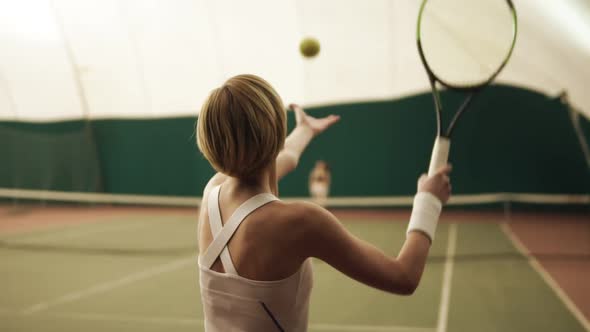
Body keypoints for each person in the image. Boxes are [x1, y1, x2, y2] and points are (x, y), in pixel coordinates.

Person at [196, 74, 451, 331]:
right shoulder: (300, 222)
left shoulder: (211, 193)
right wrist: (428, 200)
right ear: (276, 130)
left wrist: (305, 129)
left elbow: (285, 157)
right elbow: (403, 276)